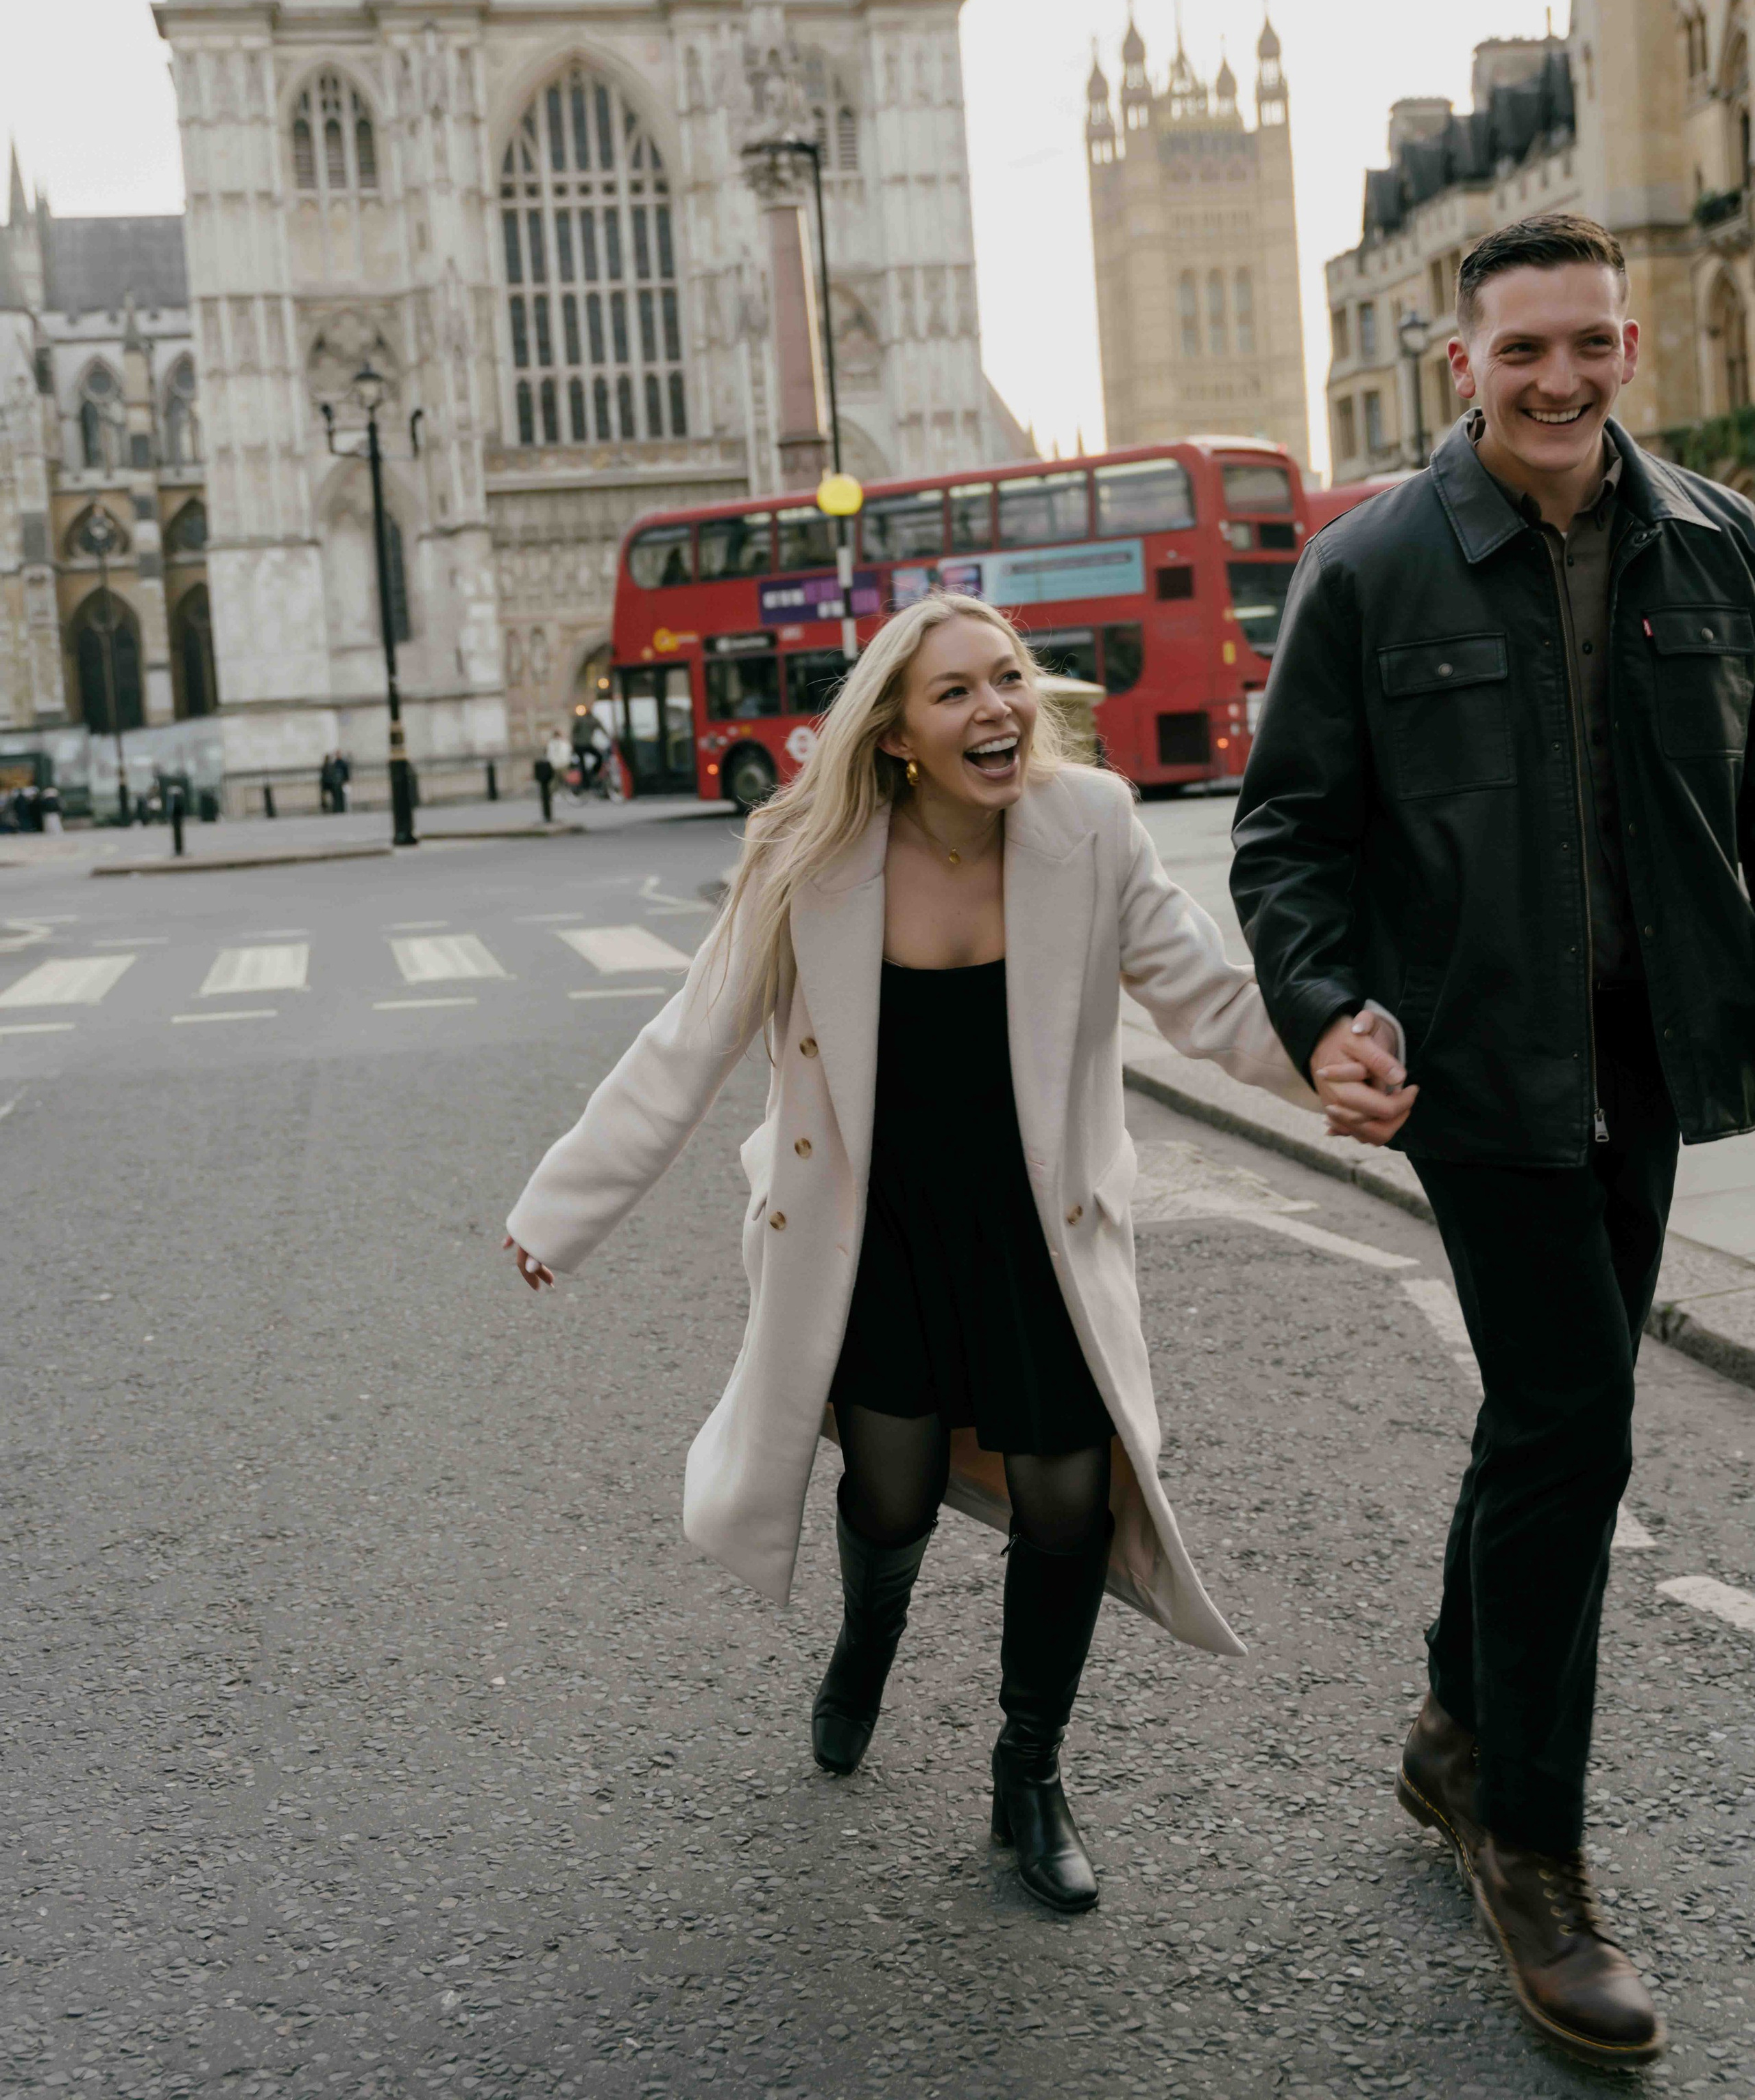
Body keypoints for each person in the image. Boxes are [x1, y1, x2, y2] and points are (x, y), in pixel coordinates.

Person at [504, 593, 1405, 1914]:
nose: (998, 711)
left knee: (1067, 1498)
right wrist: (559, 1211)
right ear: (895, 738)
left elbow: (1205, 997)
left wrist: (1328, 1058)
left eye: (1008, 681)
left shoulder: (1087, 826)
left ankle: (1027, 1773)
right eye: (957, 694)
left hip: (1038, 1232)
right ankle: (867, 1642)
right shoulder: (806, 862)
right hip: (874, 1239)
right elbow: (687, 1044)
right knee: (892, 1491)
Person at [1232, 212, 1755, 2064]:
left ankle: (1457, 1728)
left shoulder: (1715, 541)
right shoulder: (1373, 566)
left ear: (1630, 347)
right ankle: (1532, 1847)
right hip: (1476, 1064)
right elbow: (1288, 836)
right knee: (1579, 1421)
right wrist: (1325, 1016)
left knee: (1552, 1413)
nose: (1560, 381)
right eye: (1523, 350)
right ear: (1462, 361)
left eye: (1592, 346)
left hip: (1652, 1055)